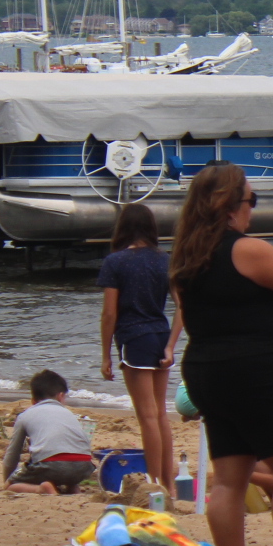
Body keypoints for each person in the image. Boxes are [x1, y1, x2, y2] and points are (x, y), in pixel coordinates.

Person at [171, 163, 273, 546]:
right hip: (258, 369)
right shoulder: (246, 249)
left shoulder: (185, 257)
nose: (253, 210)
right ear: (232, 205)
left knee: (230, 476)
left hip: (206, 369)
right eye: (252, 201)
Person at [98, 203, 180, 487]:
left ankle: (155, 482)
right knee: (160, 415)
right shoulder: (164, 260)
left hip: (134, 338)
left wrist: (105, 355)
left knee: (147, 416)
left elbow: (110, 314)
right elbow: (183, 306)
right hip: (160, 335)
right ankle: (169, 484)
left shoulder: (116, 262)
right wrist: (171, 345)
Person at [2, 370, 95, 494]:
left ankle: (41, 489)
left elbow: (12, 456)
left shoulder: (25, 415)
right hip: (84, 467)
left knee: (10, 486)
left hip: (51, 466)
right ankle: (72, 487)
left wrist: (9, 480)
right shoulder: (70, 415)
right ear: (61, 396)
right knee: (66, 464)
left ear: (33, 400)